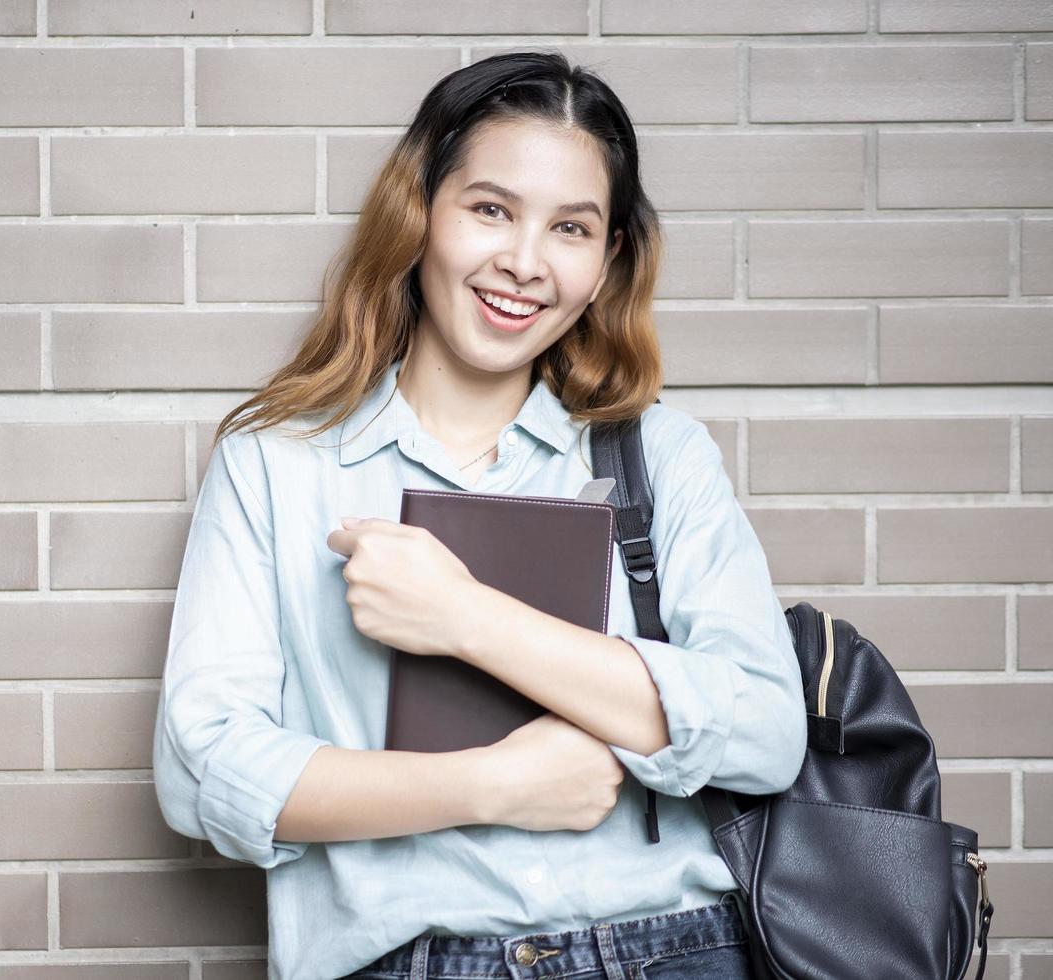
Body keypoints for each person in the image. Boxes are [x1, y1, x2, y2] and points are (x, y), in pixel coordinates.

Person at [152, 50, 807, 980]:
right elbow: (205, 771)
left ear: (608, 257)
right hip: (408, 960)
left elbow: (768, 733)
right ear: (419, 213)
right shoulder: (276, 464)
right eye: (491, 209)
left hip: (674, 950)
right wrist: (492, 786)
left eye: (572, 228)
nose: (524, 264)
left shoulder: (659, 453)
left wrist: (466, 620)